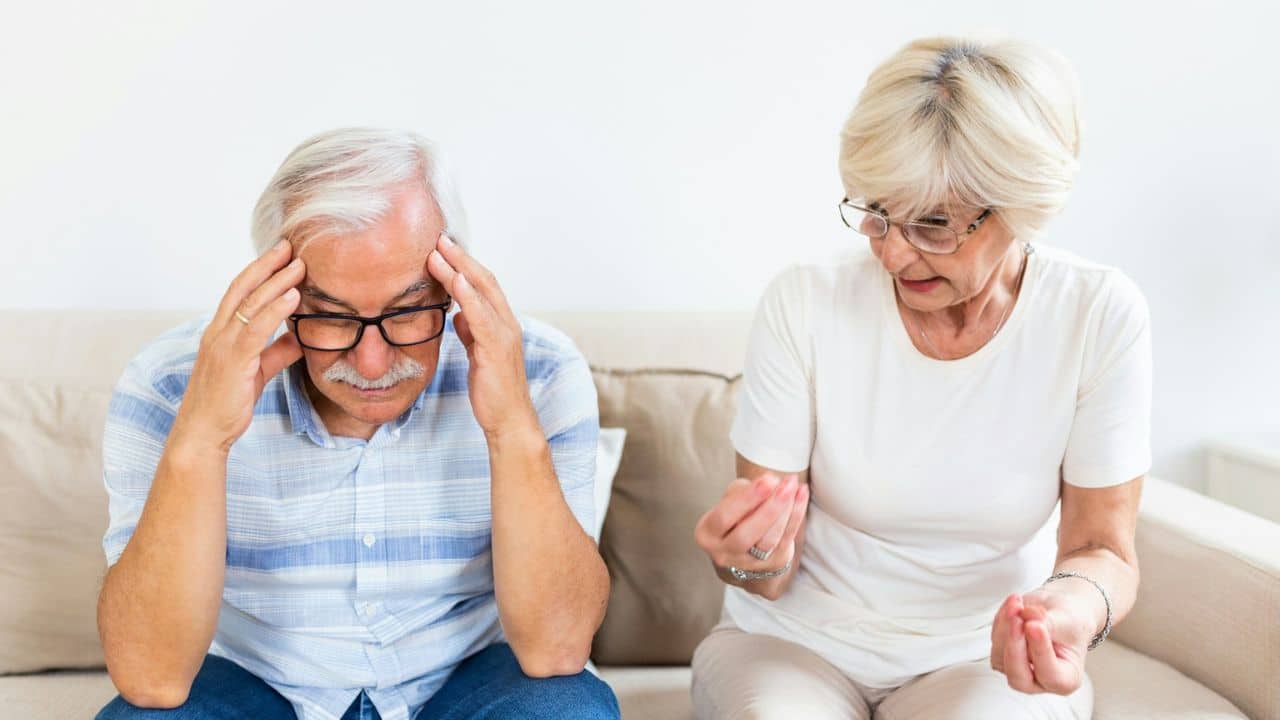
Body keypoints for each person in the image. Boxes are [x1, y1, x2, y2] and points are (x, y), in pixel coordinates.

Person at [692, 37, 1150, 719]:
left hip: (980, 659)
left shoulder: (1095, 314)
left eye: (933, 224)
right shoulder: (806, 303)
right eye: (877, 214)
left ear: (1017, 205)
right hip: (795, 646)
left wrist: (1066, 612)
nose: (894, 253)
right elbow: (765, 577)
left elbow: (1100, 550)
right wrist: (746, 558)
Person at [95, 128, 619, 720]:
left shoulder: (543, 371)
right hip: (249, 683)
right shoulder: (167, 383)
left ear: (456, 281)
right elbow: (151, 681)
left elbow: (557, 651)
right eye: (329, 316)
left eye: (408, 310)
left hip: (467, 679)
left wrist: (511, 430)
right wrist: (201, 440)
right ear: (277, 290)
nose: (372, 363)